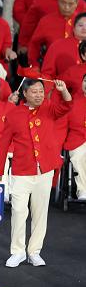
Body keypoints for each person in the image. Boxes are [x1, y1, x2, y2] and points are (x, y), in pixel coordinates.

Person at [0, 78, 72, 267]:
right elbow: (3, 144)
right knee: (19, 211)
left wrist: (64, 91)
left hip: (44, 170)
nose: (39, 95)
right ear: (25, 94)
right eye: (35, 91)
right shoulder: (13, 115)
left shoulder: (49, 108)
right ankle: (18, 251)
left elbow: (67, 106)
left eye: (41, 91)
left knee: (40, 213)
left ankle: (34, 251)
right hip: (21, 170)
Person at [64, 72, 86, 200]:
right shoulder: (72, 101)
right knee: (78, 157)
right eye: (85, 80)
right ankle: (82, 190)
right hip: (76, 139)